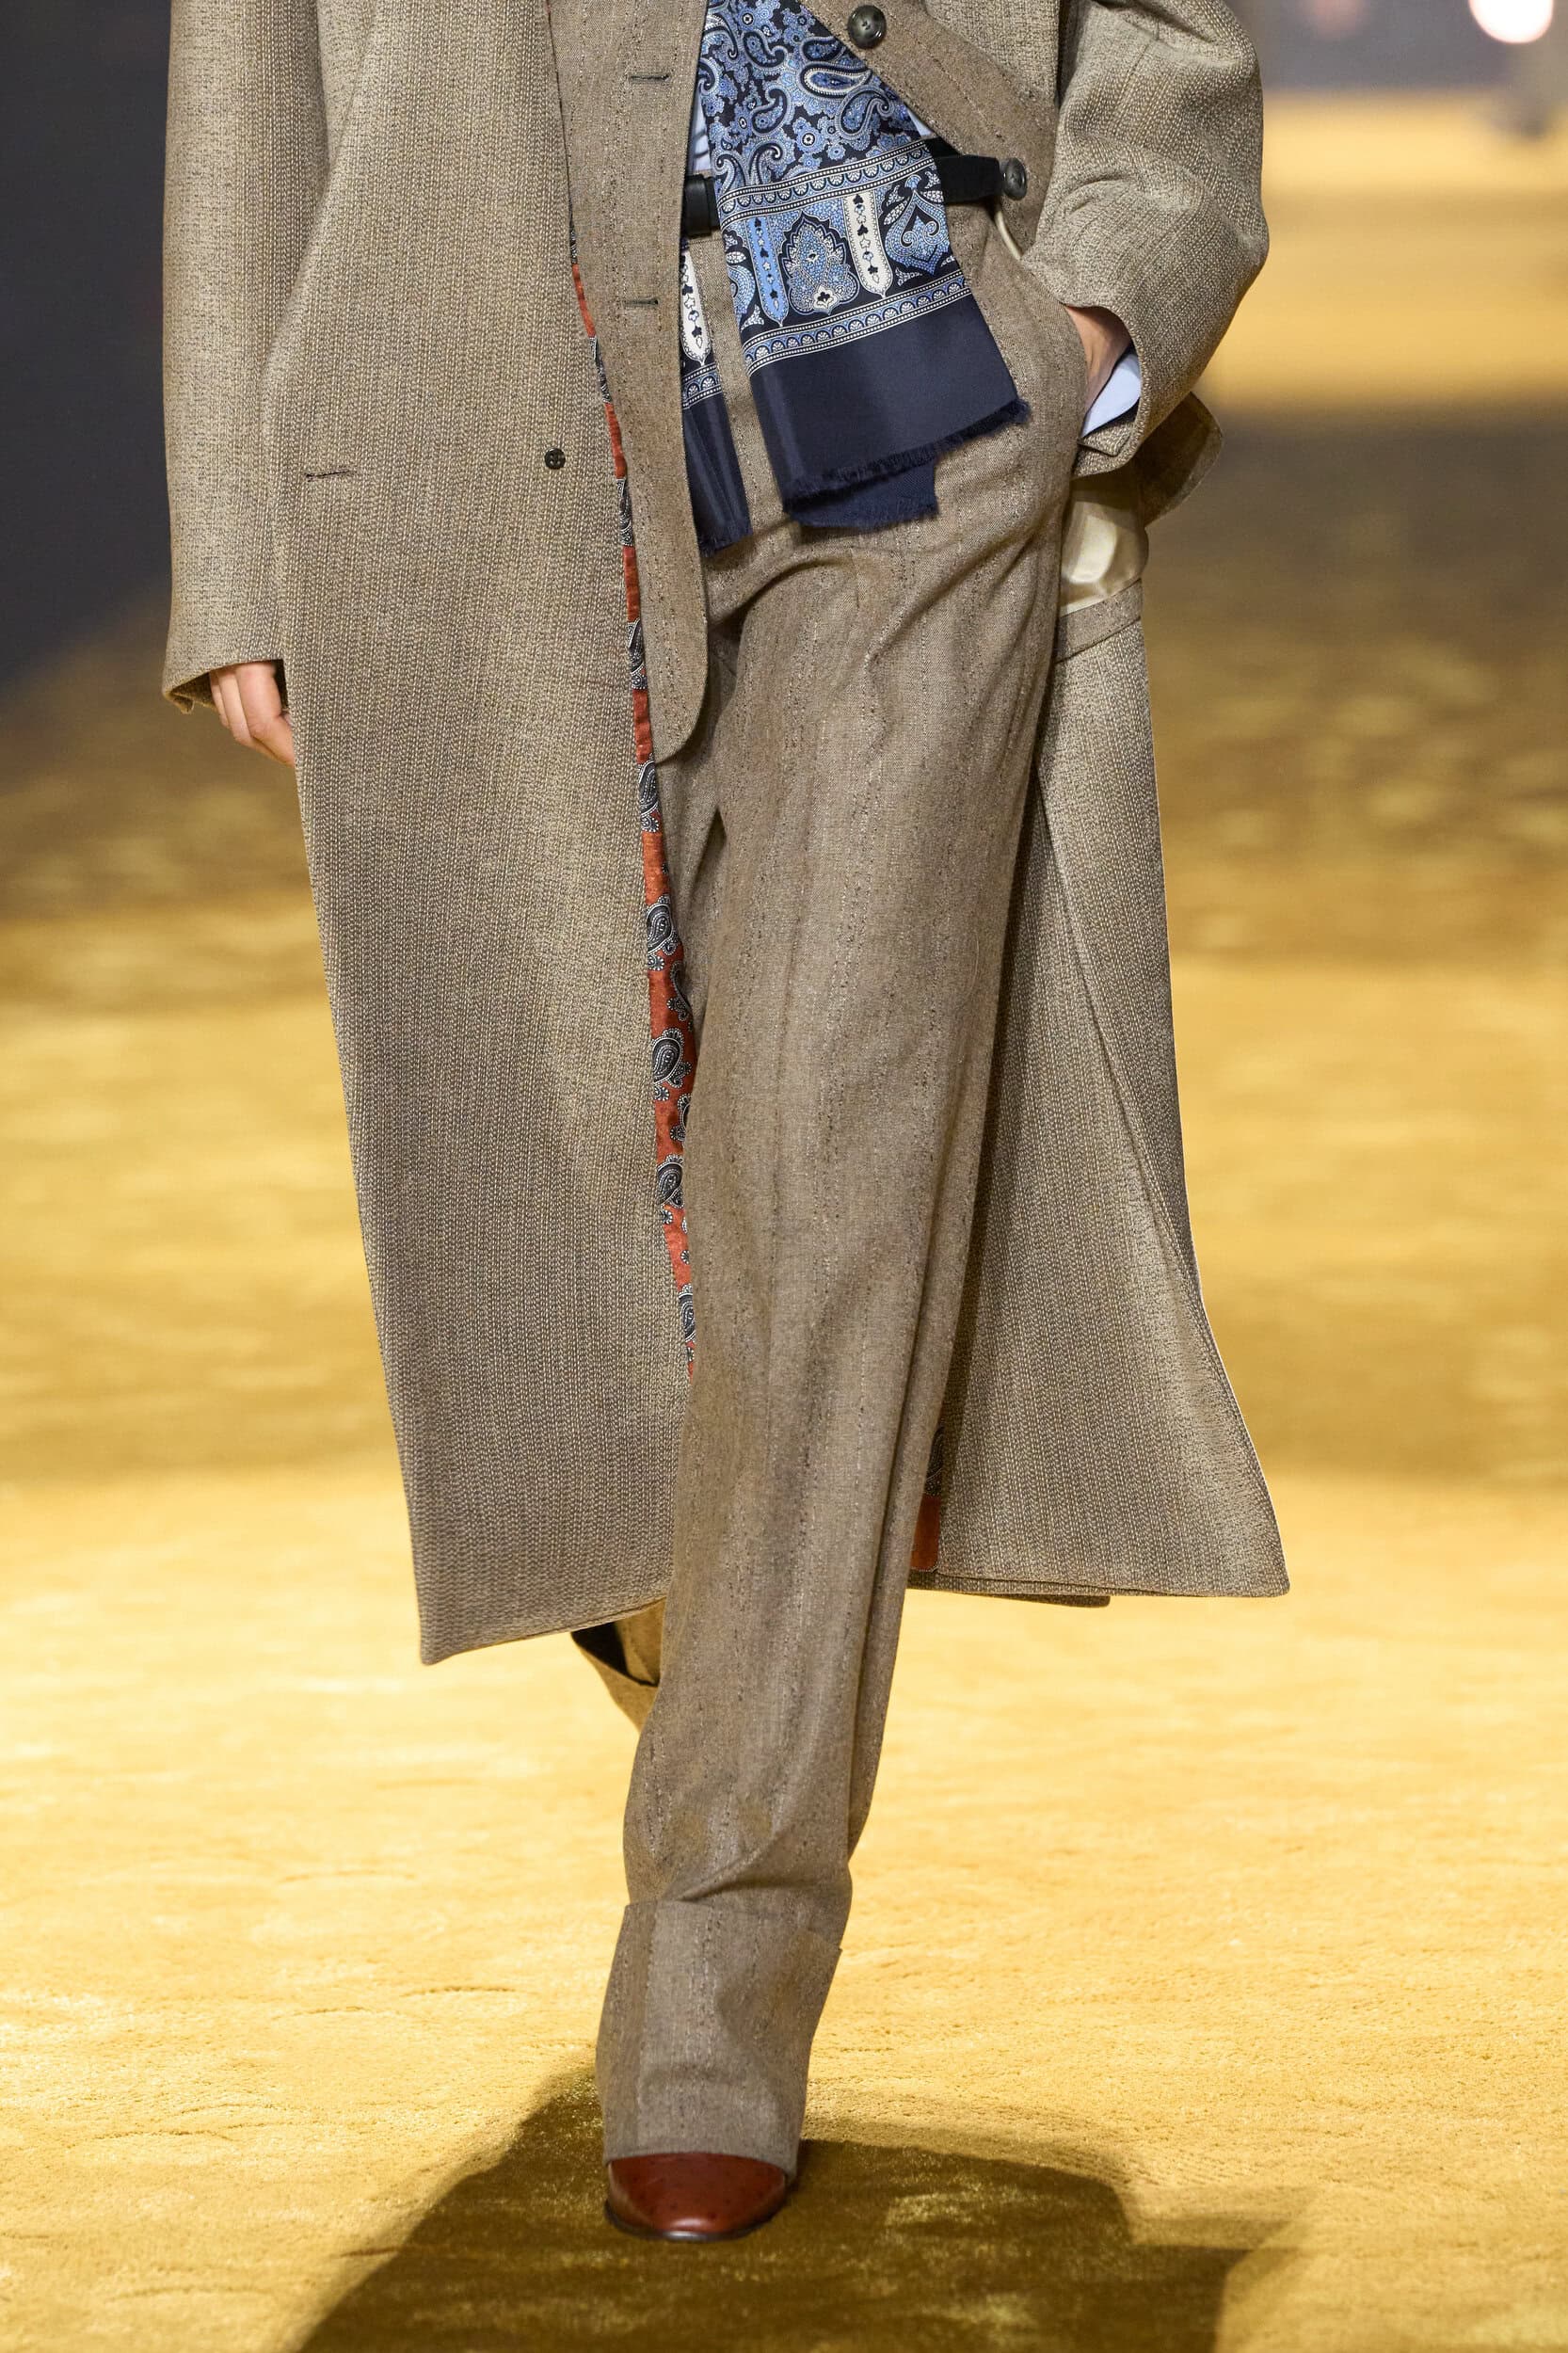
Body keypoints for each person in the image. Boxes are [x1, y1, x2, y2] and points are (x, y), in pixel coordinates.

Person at [163, 0, 1288, 2246]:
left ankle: (712, 1971)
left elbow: (1168, 38)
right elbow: (249, 54)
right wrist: (238, 538)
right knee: (579, 1173)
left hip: (913, 391)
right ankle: (698, 1599)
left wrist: (1090, 316)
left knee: (834, 1171)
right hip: (472, 405)